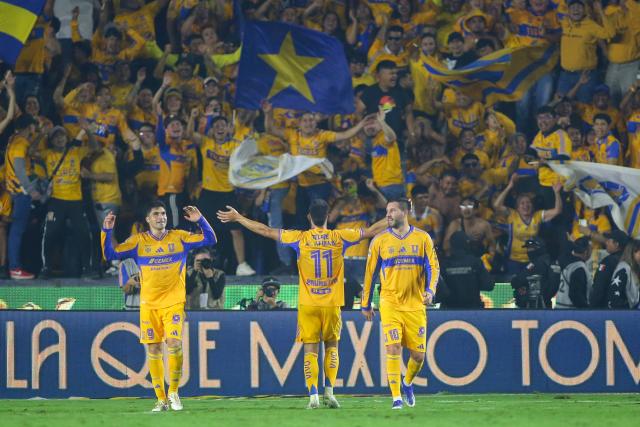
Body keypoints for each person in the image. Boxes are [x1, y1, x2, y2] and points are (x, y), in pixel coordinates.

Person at [217, 199, 385, 409]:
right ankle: (330, 392)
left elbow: (266, 230)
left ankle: (313, 395)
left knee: (310, 350)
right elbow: (370, 231)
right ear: (327, 216)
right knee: (332, 347)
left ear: (309, 217)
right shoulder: (340, 237)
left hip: (308, 304)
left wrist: (239, 217)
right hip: (332, 304)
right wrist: (395, 217)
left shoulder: (300, 238)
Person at [101, 201, 216, 412]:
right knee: (153, 348)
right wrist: (106, 230)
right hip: (149, 304)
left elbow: (211, 239)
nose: (161, 217)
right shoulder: (139, 242)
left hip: (173, 301)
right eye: (156, 214)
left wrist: (200, 220)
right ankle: (161, 399)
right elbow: (110, 254)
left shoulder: (179, 237)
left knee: (173, 342)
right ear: (148, 219)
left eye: (163, 213)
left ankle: (174, 392)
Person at [362, 198, 440, 410]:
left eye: (392, 210)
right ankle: (396, 398)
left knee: (418, 356)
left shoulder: (423, 238)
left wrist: (430, 290)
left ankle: (407, 383)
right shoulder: (379, 241)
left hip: (415, 305)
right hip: (390, 303)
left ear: (405, 212)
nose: (388, 214)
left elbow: (434, 267)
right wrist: (365, 303)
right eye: (387, 210)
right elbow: (369, 274)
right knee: (393, 347)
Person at [493, 174, 563, 274]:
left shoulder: (537, 216)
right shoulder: (512, 215)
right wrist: (510, 186)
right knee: (514, 286)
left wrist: (557, 193)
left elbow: (557, 210)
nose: (526, 205)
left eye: (528, 202)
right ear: (517, 207)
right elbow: (496, 205)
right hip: (513, 260)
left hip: (531, 260)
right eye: (522, 203)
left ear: (532, 206)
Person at [5, 114, 42, 280]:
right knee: (17, 231)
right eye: (34, 127)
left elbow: (31, 151)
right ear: (30, 127)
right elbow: (20, 168)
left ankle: (14, 266)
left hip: (15, 190)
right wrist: (29, 189)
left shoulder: (14, 139)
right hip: (21, 192)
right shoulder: (20, 143)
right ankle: (14, 268)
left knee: (16, 231)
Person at [439, 231, 493, 308]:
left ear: (451, 245)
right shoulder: (475, 262)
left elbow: (439, 291)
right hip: (473, 310)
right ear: (466, 243)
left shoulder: (443, 264)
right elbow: (488, 285)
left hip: (449, 311)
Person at [510, 237, 561, 308]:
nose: (529, 250)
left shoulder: (537, 263)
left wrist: (516, 282)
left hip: (535, 304)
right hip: (545, 302)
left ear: (539, 248)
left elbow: (518, 280)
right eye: (528, 248)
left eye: (531, 248)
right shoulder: (550, 260)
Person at [589, 230, 629, 307]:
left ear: (616, 244)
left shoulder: (608, 261)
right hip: (626, 307)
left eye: (608, 241)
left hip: (606, 309)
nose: (606, 243)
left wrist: (593, 306)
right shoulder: (630, 260)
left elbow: (599, 286)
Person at [556, 237, 592, 308]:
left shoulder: (566, 262)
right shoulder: (579, 267)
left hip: (559, 307)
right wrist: (586, 309)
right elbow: (575, 294)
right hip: (571, 311)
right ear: (586, 252)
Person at [607, 239, 640, 309]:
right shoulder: (623, 269)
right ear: (632, 252)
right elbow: (614, 297)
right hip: (623, 313)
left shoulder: (635, 269)